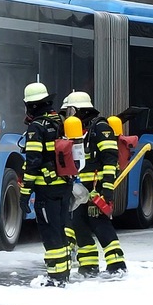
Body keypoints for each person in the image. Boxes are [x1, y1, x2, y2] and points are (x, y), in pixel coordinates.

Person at [61, 91, 127, 278]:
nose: (68, 116)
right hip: (80, 190)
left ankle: (117, 266)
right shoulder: (80, 130)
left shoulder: (101, 129)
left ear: (78, 110)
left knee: (100, 226)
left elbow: (109, 161)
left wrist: (106, 191)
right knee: (79, 226)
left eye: (70, 111)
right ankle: (88, 267)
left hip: (97, 190)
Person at [19, 82, 72, 287]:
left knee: (50, 233)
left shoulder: (36, 127)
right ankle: (64, 274)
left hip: (47, 190)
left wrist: (25, 195)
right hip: (64, 186)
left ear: (32, 106)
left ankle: (55, 278)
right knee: (61, 229)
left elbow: (32, 163)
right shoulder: (60, 121)